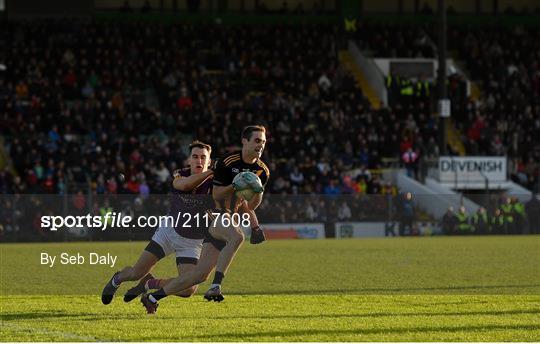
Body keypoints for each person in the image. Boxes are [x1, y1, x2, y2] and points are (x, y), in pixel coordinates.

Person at [141, 125, 270, 313]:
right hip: (213, 214)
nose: (261, 145)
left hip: (228, 219)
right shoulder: (228, 162)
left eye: (264, 142)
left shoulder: (263, 171)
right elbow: (217, 194)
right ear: (245, 141)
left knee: (198, 276)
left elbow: (250, 205)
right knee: (238, 236)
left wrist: (258, 191)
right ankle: (216, 286)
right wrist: (236, 185)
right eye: (257, 141)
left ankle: (152, 296)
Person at [100, 141, 214, 305]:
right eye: (195, 157)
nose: (199, 161)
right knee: (135, 273)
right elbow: (186, 185)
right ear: (188, 160)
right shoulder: (180, 174)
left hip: (192, 242)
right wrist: (211, 173)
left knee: (188, 290)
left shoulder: (215, 183)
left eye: (204, 157)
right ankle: (116, 280)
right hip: (169, 233)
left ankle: (148, 284)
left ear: (209, 161)